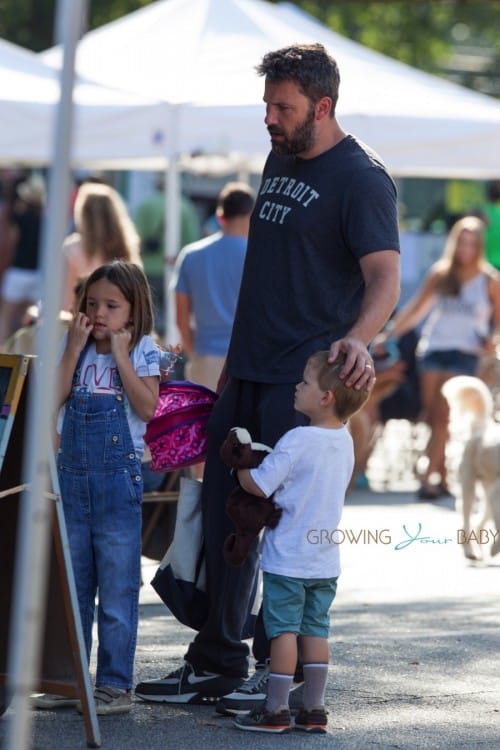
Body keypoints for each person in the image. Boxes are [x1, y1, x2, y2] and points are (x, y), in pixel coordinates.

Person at [135, 42, 400, 711]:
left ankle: (270, 669)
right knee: (230, 521)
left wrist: (357, 341)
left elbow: (385, 278)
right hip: (246, 371)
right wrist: (225, 374)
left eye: (282, 107)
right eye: (267, 105)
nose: (270, 119)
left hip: (301, 386)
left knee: (275, 531)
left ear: (324, 105)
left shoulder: (364, 179)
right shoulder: (281, 155)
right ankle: (215, 661)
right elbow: (264, 279)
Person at [33, 261, 160, 716]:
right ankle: (69, 680)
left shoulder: (144, 349)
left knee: (118, 584)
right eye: (92, 304)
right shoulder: (76, 348)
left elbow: (147, 408)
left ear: (134, 310)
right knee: (74, 585)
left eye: (112, 305)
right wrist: (73, 346)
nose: (100, 314)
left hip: (116, 483)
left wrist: (122, 356)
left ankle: (113, 684)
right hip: (72, 480)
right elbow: (49, 399)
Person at [231, 350, 369, 733]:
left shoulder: (297, 439)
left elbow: (258, 485)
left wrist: (240, 464)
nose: (297, 386)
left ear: (326, 397)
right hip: (324, 561)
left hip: (287, 558)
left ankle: (275, 709)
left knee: (283, 631)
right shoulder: (344, 440)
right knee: (316, 630)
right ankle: (314, 708)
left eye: (306, 382)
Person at [377, 215, 500, 500]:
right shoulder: (440, 274)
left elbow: (498, 321)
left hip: (467, 353)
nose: (466, 249)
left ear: (479, 246)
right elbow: (416, 310)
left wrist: (492, 340)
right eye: (462, 242)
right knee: (432, 415)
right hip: (433, 349)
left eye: (472, 243)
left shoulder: (489, 280)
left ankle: (427, 478)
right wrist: (388, 334)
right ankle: (442, 475)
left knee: (445, 415)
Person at [173, 181, 255, 392]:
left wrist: (195, 352)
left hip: (205, 356)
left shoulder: (191, 255)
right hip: (249, 359)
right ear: (251, 215)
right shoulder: (262, 257)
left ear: (220, 217)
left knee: (202, 423)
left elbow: (181, 318)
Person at [61, 182, 142, 313]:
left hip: (81, 320)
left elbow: (65, 297)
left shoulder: (72, 248)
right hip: (117, 321)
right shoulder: (126, 248)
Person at [134, 174, 200, 328]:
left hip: (147, 269)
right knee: (173, 320)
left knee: (148, 320)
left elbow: (136, 240)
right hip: (175, 270)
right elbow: (192, 242)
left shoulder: (145, 205)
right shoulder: (185, 206)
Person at [0, 174, 45, 347]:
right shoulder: (45, 220)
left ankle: (4, 351)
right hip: (37, 273)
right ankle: (23, 351)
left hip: (18, 271)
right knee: (28, 319)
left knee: (7, 316)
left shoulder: (19, 218)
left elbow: (10, 242)